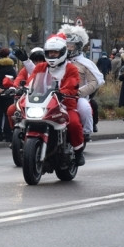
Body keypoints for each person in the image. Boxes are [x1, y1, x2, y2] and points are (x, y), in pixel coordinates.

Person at [29, 33, 85, 165]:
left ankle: (78, 152)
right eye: (50, 52)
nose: (52, 55)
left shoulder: (71, 68)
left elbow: (72, 84)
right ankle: (20, 144)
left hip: (64, 104)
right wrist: (24, 89)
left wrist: (62, 92)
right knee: (18, 114)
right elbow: (31, 81)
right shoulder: (41, 67)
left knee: (74, 124)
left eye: (55, 52)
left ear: (63, 52)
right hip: (42, 103)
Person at [59, 24, 104, 139]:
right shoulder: (56, 61)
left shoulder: (85, 63)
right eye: (66, 45)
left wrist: (79, 92)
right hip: (56, 95)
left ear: (78, 47)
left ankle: (86, 132)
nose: (68, 48)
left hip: (76, 97)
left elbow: (93, 82)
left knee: (85, 108)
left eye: (71, 46)